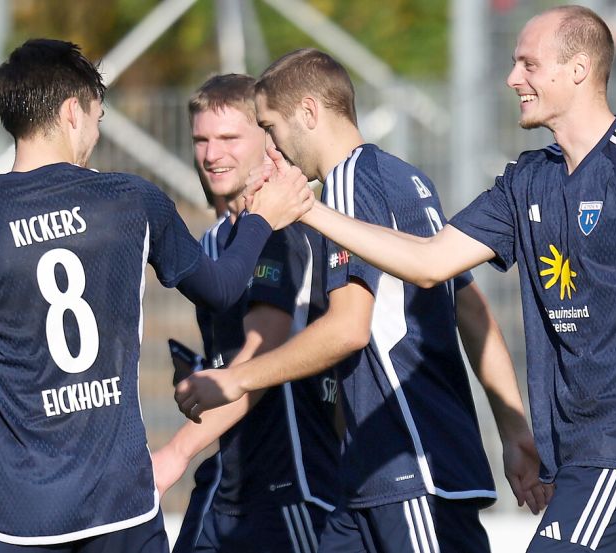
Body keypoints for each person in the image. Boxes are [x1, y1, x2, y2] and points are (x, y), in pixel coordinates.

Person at [291, 6, 616, 552]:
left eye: (528, 64)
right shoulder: (527, 180)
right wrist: (308, 211)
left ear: (578, 69)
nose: (513, 79)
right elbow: (431, 261)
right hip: (577, 453)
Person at [0, 39, 311, 552]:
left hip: (17, 511)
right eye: (97, 116)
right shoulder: (130, 201)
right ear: (72, 113)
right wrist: (264, 218)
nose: (95, 131)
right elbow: (223, 289)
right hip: (122, 504)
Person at [174, 48, 546, 553]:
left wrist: (234, 379)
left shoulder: (347, 182)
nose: (273, 148)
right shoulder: (405, 178)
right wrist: (513, 430)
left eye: (272, 127)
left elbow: (349, 328)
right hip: (376, 475)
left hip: (409, 463)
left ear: (308, 113)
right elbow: (472, 311)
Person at [156, 74, 341, 553]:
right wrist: (201, 374)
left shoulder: (286, 231)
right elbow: (233, 360)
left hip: (289, 488)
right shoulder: (216, 241)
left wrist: (174, 454)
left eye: (229, 138)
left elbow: (262, 357)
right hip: (229, 482)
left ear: (267, 136)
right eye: (201, 139)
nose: (212, 154)